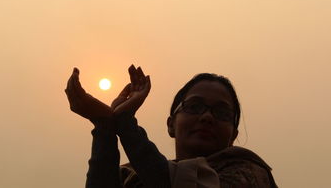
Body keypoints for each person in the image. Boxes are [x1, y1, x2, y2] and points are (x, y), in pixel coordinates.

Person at [65, 65, 277, 187]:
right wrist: (104, 128)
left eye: (222, 113)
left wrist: (126, 123)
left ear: (234, 135)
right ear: (171, 125)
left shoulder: (250, 175)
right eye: (194, 107)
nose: (207, 117)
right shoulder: (131, 177)